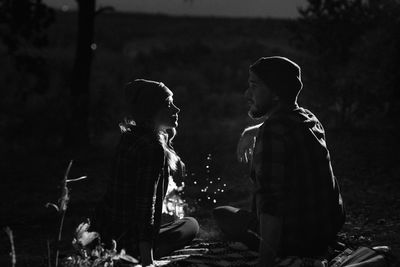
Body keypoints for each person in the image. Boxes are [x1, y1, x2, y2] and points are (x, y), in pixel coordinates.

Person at [213, 56, 345, 267]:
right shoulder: (310, 118)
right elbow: (288, 123)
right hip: (328, 229)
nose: (247, 94)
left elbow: (271, 205)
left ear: (275, 93)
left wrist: (266, 261)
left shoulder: (272, 133)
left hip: (295, 240)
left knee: (222, 214)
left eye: (254, 86)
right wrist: (252, 130)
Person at [94, 79, 199, 267]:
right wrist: (147, 261)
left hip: (107, 234)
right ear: (151, 111)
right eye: (168, 104)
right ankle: (142, 254)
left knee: (180, 221)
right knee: (191, 225)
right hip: (128, 246)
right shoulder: (153, 148)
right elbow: (145, 205)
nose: (176, 109)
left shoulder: (130, 137)